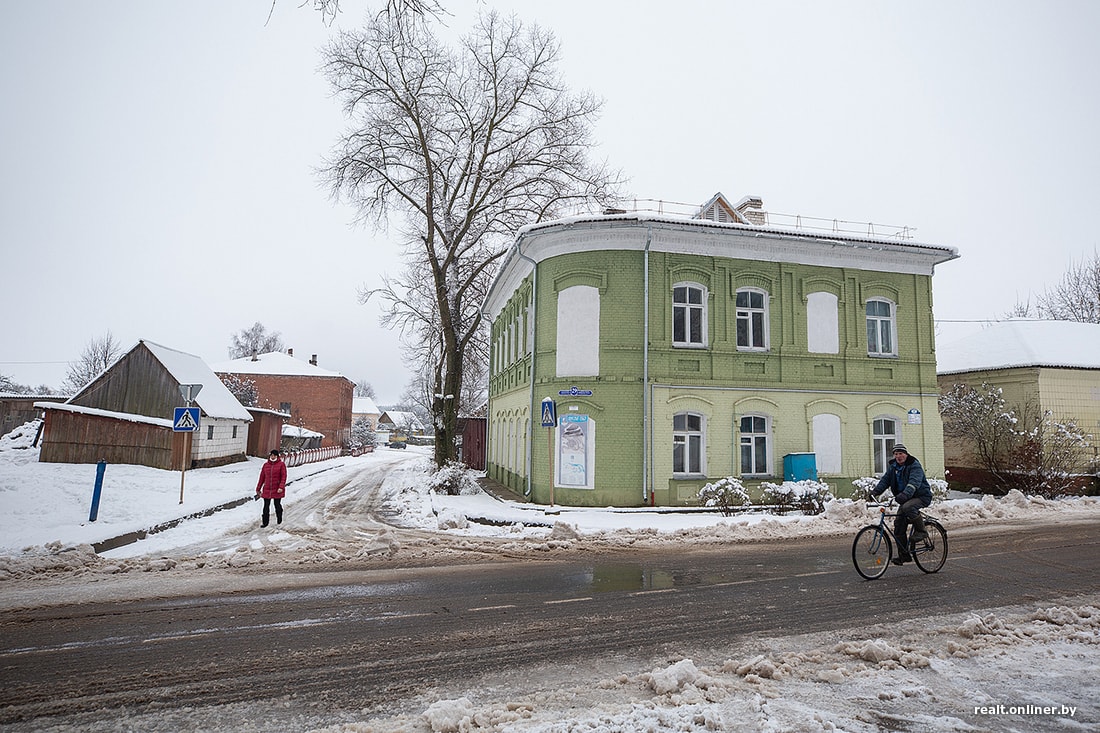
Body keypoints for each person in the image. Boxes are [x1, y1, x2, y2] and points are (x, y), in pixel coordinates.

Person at [874, 444, 933, 565]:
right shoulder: (893, 467)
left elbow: (914, 482)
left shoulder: (914, 465)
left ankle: (921, 531)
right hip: (905, 497)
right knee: (899, 524)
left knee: (907, 507)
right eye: (896, 454)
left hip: (921, 496)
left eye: (901, 453)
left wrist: (906, 494)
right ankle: (904, 555)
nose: (898, 456)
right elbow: (885, 480)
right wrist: (875, 492)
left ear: (906, 454)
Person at [255, 449, 287, 527]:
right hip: (267, 488)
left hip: (277, 489)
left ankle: (279, 519)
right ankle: (265, 523)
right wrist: (258, 488)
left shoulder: (281, 464)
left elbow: (284, 476)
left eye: (274, 455)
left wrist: (281, 487)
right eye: (271, 455)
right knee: (266, 505)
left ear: (277, 456)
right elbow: (262, 477)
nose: (272, 457)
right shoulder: (266, 465)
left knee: (277, 504)